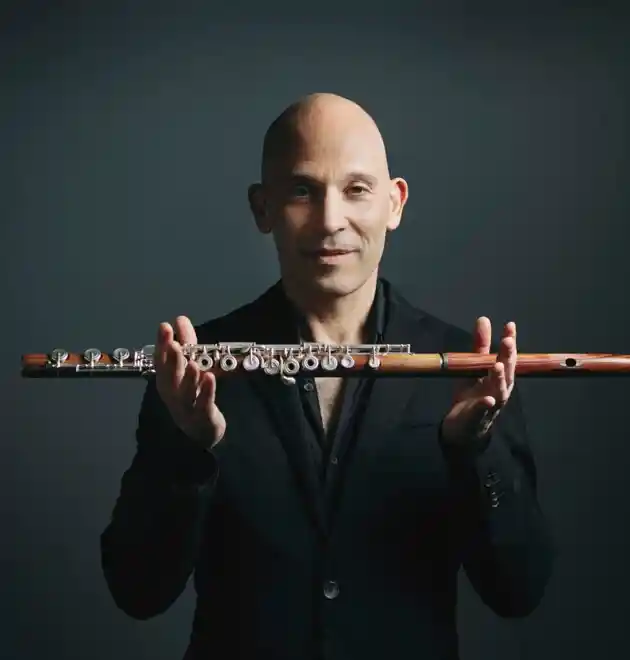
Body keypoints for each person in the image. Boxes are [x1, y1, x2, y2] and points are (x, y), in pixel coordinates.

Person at [100, 93, 554, 660]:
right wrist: (189, 450)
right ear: (262, 208)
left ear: (394, 203)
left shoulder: (468, 368)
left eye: (356, 189)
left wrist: (475, 450)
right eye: (301, 191)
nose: (330, 220)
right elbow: (137, 591)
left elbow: (519, 590)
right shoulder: (192, 368)